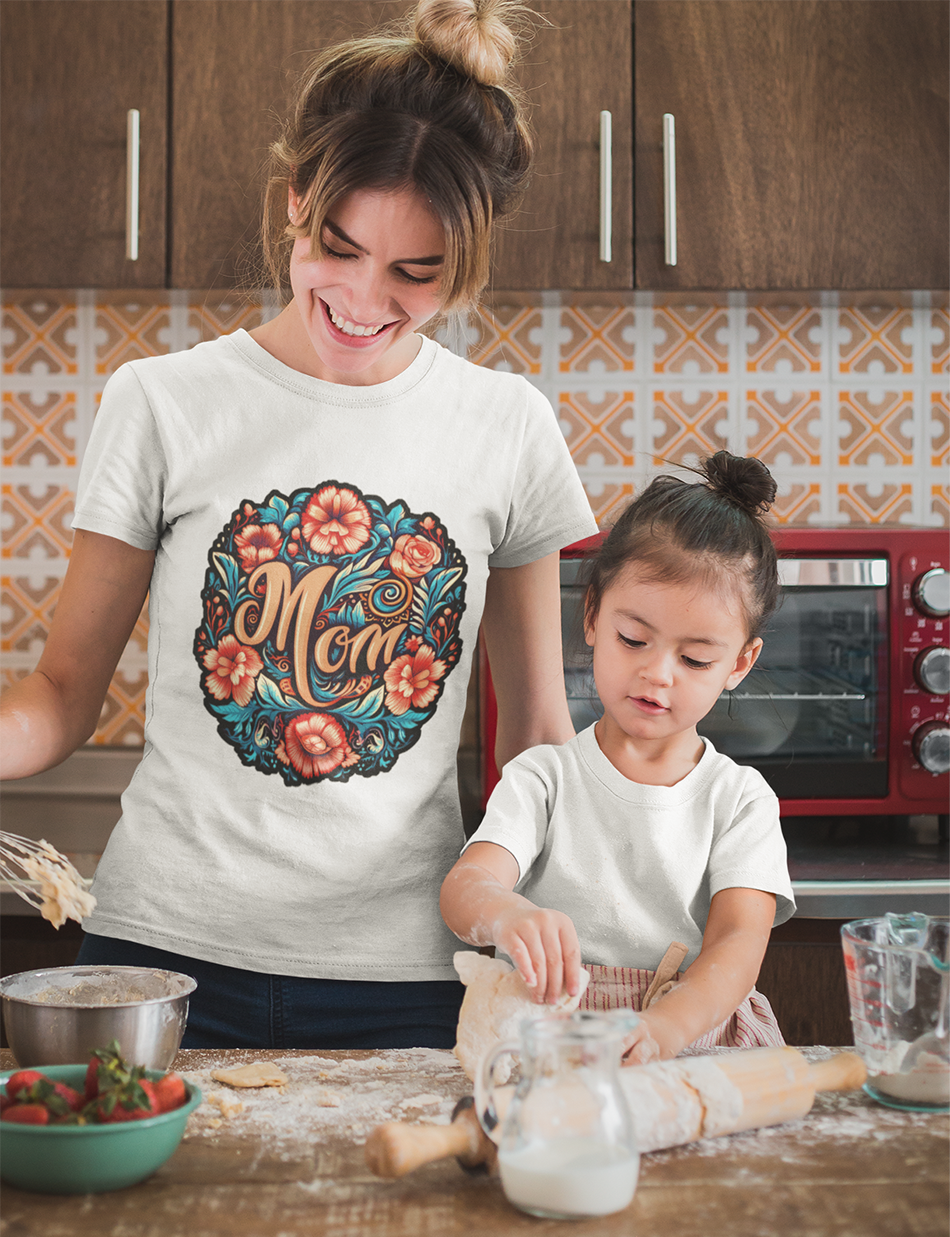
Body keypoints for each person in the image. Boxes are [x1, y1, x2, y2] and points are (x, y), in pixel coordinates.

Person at [0, 0, 597, 1049]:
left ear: (463, 266)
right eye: (340, 248)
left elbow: (537, 742)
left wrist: (584, 896)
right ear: (294, 205)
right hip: (159, 956)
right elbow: (58, 700)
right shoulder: (161, 402)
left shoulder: (506, 428)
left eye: (415, 273)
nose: (365, 298)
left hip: (409, 967)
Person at [440, 451, 796, 1063]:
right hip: (547, 1042)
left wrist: (663, 1028)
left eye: (695, 659)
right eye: (634, 639)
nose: (656, 675)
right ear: (592, 617)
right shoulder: (544, 779)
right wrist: (504, 915)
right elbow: (466, 887)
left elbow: (737, 943)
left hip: (690, 1042)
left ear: (739, 664)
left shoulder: (739, 801)